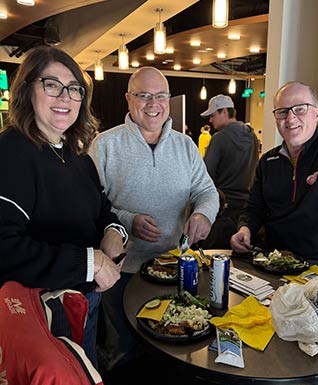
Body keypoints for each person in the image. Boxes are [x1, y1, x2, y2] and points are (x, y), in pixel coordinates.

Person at [0, 45, 128, 371]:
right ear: (27, 90)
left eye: (74, 89)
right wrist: (93, 261)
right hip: (41, 315)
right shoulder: (11, 151)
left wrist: (114, 232)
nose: (65, 97)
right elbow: (5, 249)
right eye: (52, 85)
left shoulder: (77, 155)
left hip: (85, 300)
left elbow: (102, 210)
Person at [89, 66, 219, 370]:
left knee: (174, 348)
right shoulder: (105, 145)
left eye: (160, 96)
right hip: (122, 272)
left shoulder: (185, 145)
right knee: (124, 351)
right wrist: (128, 220)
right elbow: (92, 206)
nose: (153, 103)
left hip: (175, 267)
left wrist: (202, 214)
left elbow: (207, 192)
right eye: (143, 95)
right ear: (128, 99)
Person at [230, 81, 318, 273]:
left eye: (300, 109)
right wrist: (244, 229)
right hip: (273, 261)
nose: (290, 118)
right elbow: (254, 208)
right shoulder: (268, 161)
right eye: (282, 112)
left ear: (316, 112)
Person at [200, 94, 259, 248]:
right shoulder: (252, 136)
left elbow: (206, 176)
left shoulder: (219, 138)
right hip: (246, 211)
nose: (210, 120)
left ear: (224, 111)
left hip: (223, 208)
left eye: (213, 115)